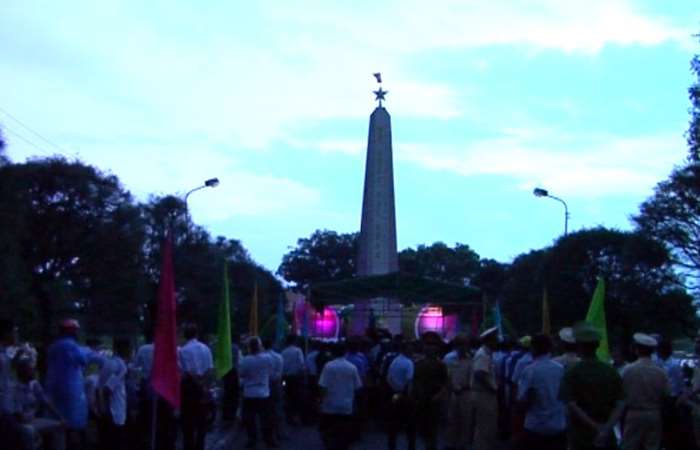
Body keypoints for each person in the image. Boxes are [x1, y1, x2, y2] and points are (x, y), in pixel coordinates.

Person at [559, 322, 625, 450]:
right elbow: (621, 403)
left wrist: (595, 427)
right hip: (607, 436)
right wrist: (606, 428)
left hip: (581, 436)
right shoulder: (610, 371)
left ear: (578, 346)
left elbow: (571, 404)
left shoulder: (572, 372)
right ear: (598, 345)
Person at [517, 334, 567, 450]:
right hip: (558, 425)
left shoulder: (530, 371)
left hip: (536, 426)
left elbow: (522, 400)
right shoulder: (560, 368)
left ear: (533, 348)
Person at [45, 319, 90, 449]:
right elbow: (83, 360)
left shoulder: (53, 346)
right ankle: (76, 444)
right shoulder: (72, 345)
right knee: (75, 418)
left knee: (58, 418)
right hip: (72, 388)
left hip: (54, 387)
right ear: (72, 331)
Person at [620, 333, 669, 450]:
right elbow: (666, 394)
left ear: (636, 350)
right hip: (654, 413)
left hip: (634, 413)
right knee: (652, 446)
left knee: (629, 445)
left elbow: (620, 392)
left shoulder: (627, 370)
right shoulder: (660, 372)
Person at [13, 356, 66, 450]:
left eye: (33, 369)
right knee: (28, 431)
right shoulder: (15, 389)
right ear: (22, 372)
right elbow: (18, 416)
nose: (34, 372)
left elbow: (46, 402)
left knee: (59, 425)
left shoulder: (34, 384)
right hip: (21, 424)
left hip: (33, 420)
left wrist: (60, 417)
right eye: (30, 370)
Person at [318, 342, 362, 450]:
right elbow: (358, 387)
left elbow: (323, 386)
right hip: (346, 406)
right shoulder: (352, 367)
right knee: (344, 436)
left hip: (330, 406)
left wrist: (320, 400)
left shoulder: (328, 366)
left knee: (329, 434)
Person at [178, 324, 214, 450]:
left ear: (185, 335)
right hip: (204, 386)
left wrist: (198, 384)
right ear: (196, 334)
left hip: (189, 388)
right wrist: (205, 386)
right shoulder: (206, 348)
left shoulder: (183, 350)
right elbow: (210, 369)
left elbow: (188, 372)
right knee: (201, 423)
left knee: (188, 424)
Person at [239, 337, 276, 449]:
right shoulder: (267, 358)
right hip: (263, 393)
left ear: (249, 347)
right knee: (266, 419)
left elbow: (241, 374)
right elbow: (271, 373)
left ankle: (252, 440)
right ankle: (269, 440)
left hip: (249, 393)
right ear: (260, 346)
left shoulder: (245, 360)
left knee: (250, 419)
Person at [412, 339, 447, 450]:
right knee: (429, 425)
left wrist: (439, 394)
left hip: (430, 398)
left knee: (430, 425)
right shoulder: (438, 364)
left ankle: (430, 445)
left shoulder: (437, 365)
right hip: (427, 398)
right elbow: (415, 382)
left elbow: (445, 383)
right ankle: (430, 444)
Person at [97, 338, 130, 450]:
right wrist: (106, 408)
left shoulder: (109, 363)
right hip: (114, 409)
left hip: (110, 409)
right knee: (115, 441)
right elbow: (108, 388)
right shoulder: (121, 366)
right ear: (126, 350)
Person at [471, 327, 500, 450]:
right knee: (484, 426)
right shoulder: (482, 354)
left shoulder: (486, 353)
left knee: (488, 426)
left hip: (486, 394)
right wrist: (492, 387)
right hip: (484, 394)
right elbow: (480, 373)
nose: (497, 342)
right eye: (495, 339)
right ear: (489, 341)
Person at [444, 334, 473, 450]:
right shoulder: (448, 358)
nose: (464, 347)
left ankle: (462, 445)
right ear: (456, 345)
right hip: (451, 393)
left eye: (465, 344)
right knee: (451, 420)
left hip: (466, 394)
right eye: (461, 344)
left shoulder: (471, 359)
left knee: (466, 421)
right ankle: (450, 444)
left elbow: (472, 379)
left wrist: (463, 387)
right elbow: (444, 377)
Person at [386, 341, 416, 450]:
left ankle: (392, 446)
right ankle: (411, 447)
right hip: (405, 395)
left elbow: (388, 378)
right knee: (410, 425)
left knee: (393, 423)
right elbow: (409, 380)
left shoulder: (394, 361)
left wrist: (395, 388)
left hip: (394, 394)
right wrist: (409, 394)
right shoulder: (409, 363)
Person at [262, 338, 285, 441]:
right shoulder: (278, 356)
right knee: (277, 409)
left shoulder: (261, 357)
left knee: (266, 411)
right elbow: (280, 372)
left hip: (264, 386)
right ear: (272, 345)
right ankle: (279, 433)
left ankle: (266, 433)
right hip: (276, 384)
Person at [280, 335, 305, 425]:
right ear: (294, 341)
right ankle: (295, 417)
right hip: (296, 378)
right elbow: (301, 364)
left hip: (285, 378)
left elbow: (282, 366)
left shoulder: (283, 352)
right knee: (296, 396)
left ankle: (288, 416)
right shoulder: (298, 351)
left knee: (287, 396)